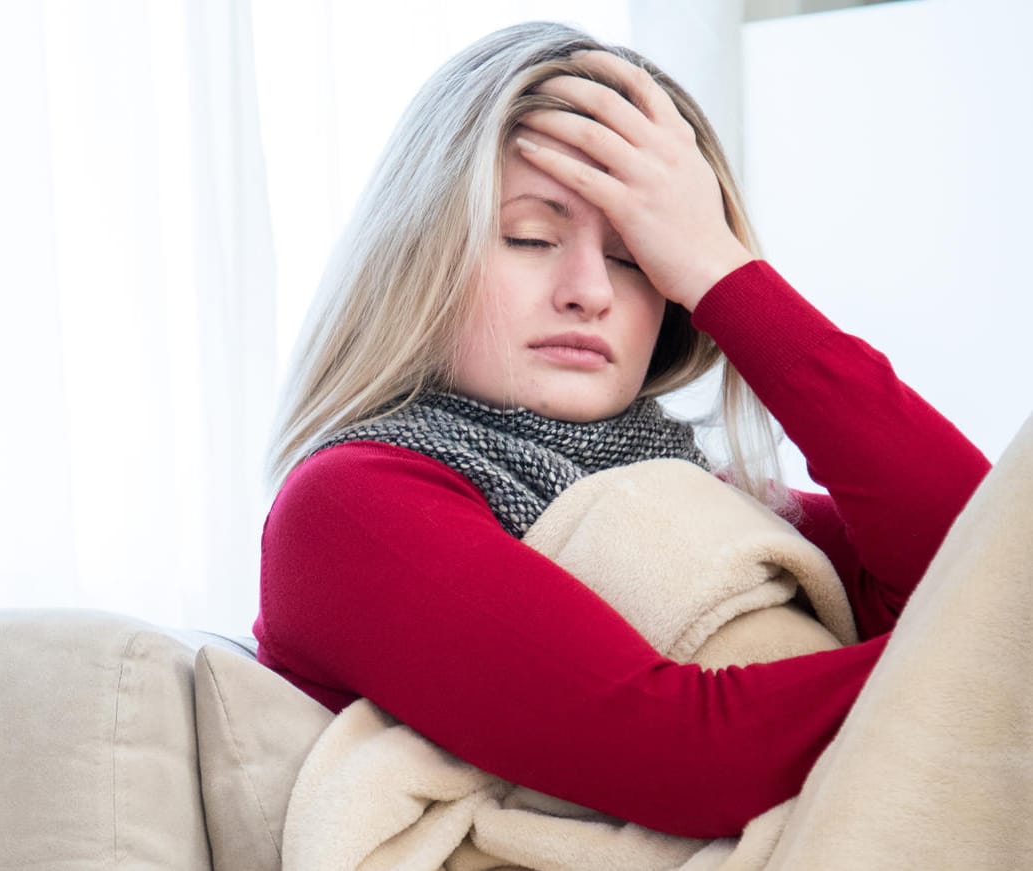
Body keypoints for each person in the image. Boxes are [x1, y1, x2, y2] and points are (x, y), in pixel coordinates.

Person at [252, 21, 990, 840]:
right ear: (421, 253)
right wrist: (988, 660)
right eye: (531, 236)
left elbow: (977, 555)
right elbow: (688, 751)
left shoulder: (708, 504)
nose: (589, 290)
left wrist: (723, 271)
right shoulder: (349, 505)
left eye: (638, 255)